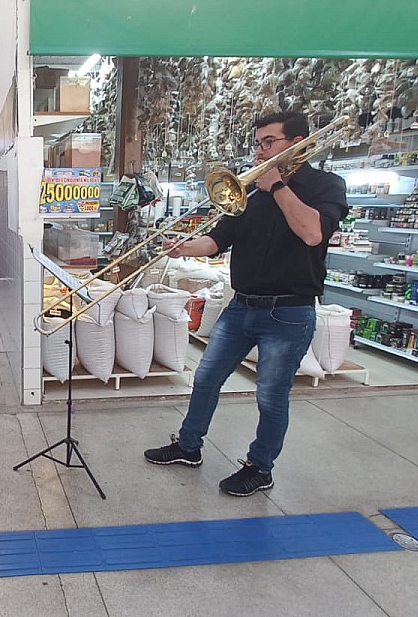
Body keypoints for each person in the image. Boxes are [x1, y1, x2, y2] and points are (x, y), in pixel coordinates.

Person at [143, 112, 349, 496]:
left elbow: (311, 233)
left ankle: (260, 467)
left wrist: (277, 188)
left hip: (288, 312)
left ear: (299, 142)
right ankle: (188, 447)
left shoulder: (325, 185)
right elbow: (219, 239)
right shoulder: (249, 192)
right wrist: (184, 247)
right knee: (205, 378)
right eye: (258, 143)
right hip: (241, 307)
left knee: (270, 396)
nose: (260, 151)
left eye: (269, 142)